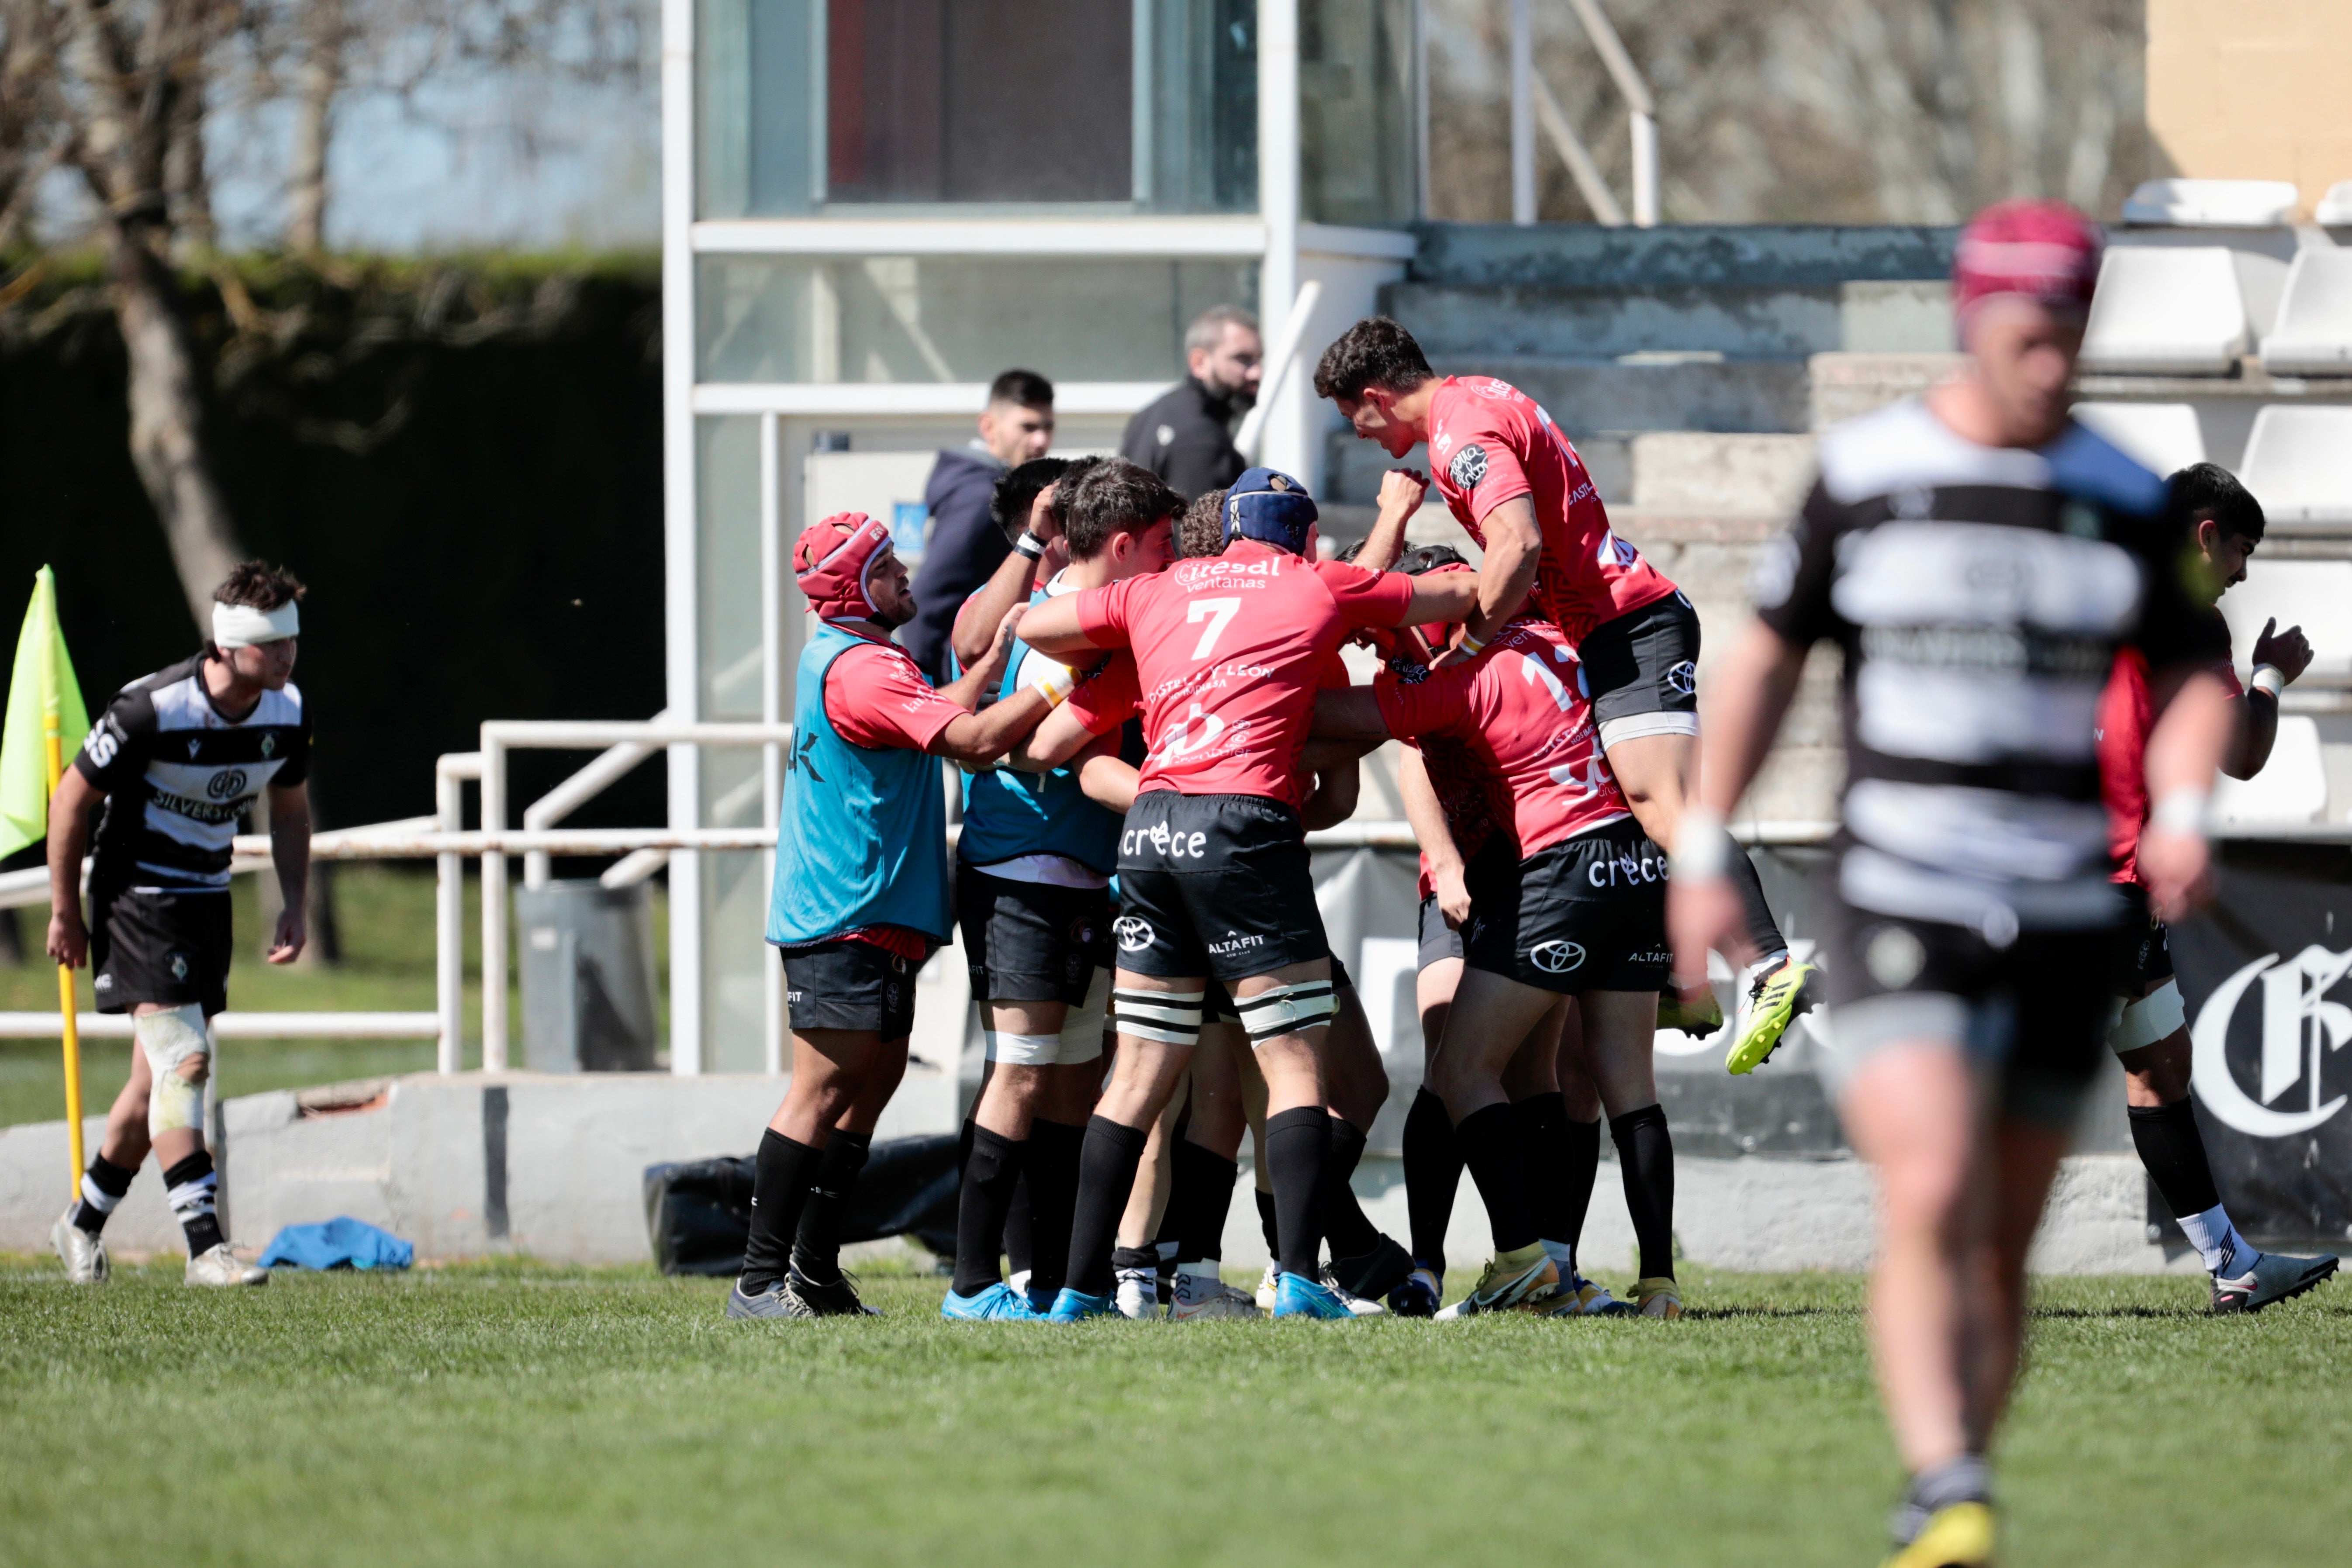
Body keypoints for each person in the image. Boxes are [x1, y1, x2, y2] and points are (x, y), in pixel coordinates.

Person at [1667, 200, 2237, 1567]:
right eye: (2031, 334)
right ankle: (1942, 1482)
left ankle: (1963, 1470)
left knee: (2001, 1226)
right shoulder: (1865, 472)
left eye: (2074, 335)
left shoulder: (2115, 490)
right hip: (1902, 890)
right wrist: (1701, 840)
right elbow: (1761, 657)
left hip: (2068, 904)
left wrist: (2187, 801)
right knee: (1929, 1181)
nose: (2054, 364)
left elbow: (2195, 668)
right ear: (1975, 319)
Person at [1013, 466, 1478, 1321]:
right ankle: (1298, 1275)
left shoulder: (1159, 591)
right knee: (1293, 1068)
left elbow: (1036, 629)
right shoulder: (1309, 581)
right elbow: (1447, 590)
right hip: (1242, 831)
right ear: (1301, 538)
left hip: (1151, 829)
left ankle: (1079, 1288)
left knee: (1141, 1076)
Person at [1313, 319, 1814, 1069]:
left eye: (1353, 418)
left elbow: (1516, 545)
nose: (1356, 435)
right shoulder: (1479, 394)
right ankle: (1684, 975)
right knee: (1623, 805)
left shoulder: (1458, 434)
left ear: (1379, 398)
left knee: (1659, 807)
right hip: (1617, 623)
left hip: (1627, 623)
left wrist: (1472, 647)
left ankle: (1769, 968)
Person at [1316, 573, 1678, 1316]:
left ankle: (1529, 1263)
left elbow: (1342, 717)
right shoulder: (1553, 635)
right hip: (1633, 863)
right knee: (1613, 1082)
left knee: (1463, 1069)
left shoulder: (1454, 680)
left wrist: (1212, 689)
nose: (1369, 643)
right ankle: (1648, 1282)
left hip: (1549, 875)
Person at [728, 513, 1054, 1320]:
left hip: (875, 913)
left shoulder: (858, 658)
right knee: (823, 1088)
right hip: (844, 913)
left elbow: (935, 708)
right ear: (852, 589)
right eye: (885, 566)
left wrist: (995, 660)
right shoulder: (866, 670)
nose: (904, 572)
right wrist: (1055, 685)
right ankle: (758, 1285)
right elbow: (972, 741)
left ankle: (813, 1273)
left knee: (869, 1086)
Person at [2097, 462, 2337, 1312]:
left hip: (2090, 868)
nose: (2242, 571)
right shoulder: (2189, 624)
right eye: (2240, 550)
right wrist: (2270, 675)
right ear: (2205, 535)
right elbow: (2240, 752)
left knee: (2160, 1066)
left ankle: (2231, 1264)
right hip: (2099, 878)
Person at [940, 463, 1178, 1321]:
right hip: (1021, 876)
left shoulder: (1075, 617)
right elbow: (1028, 745)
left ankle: (1046, 1282)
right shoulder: (1053, 629)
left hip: (1080, 878)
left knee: (1073, 1081)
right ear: (1119, 545)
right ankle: (971, 1286)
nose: (1167, 563)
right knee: (1023, 1073)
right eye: (1158, 547)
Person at [46, 562, 314, 1288]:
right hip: (136, 897)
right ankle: (206, 1249)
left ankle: (82, 1222)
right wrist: (66, 909)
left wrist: (294, 900)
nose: (289, 654)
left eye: (292, 639)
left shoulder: (286, 712)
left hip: (207, 899)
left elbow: (289, 812)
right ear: (228, 646)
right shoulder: (152, 709)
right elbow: (70, 801)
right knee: (186, 1064)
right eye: (273, 642)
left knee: (151, 1088)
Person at [1378, 545, 1620, 1317]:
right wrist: (1446, 863)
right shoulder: (1411, 666)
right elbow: (1408, 757)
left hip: (1539, 881)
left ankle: (1549, 1264)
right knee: (1451, 1061)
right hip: (1465, 886)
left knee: (1543, 1076)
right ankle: (1427, 1265)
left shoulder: (1516, 646)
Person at [905, 369, 1057, 681]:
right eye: (1027, 427)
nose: (1041, 440)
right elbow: (927, 603)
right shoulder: (980, 498)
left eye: (1047, 427)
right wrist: (933, 699)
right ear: (989, 426)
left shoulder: (980, 488)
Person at [1119, 305, 1263, 501]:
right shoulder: (1202, 440)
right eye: (1242, 359)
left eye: (1258, 360)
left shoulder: (1150, 415)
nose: (1257, 373)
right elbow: (1199, 529)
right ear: (1199, 363)